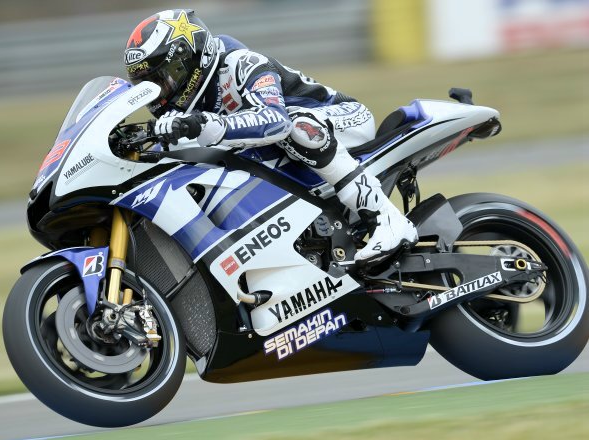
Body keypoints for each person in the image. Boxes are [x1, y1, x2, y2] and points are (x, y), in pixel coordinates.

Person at [123, 9, 417, 263]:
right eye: (148, 86)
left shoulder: (240, 63)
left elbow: (276, 122)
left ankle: (386, 218)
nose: (159, 94)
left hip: (344, 120)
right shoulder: (186, 108)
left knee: (298, 126)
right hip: (290, 147)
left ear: (188, 61)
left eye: (162, 79)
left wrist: (207, 125)